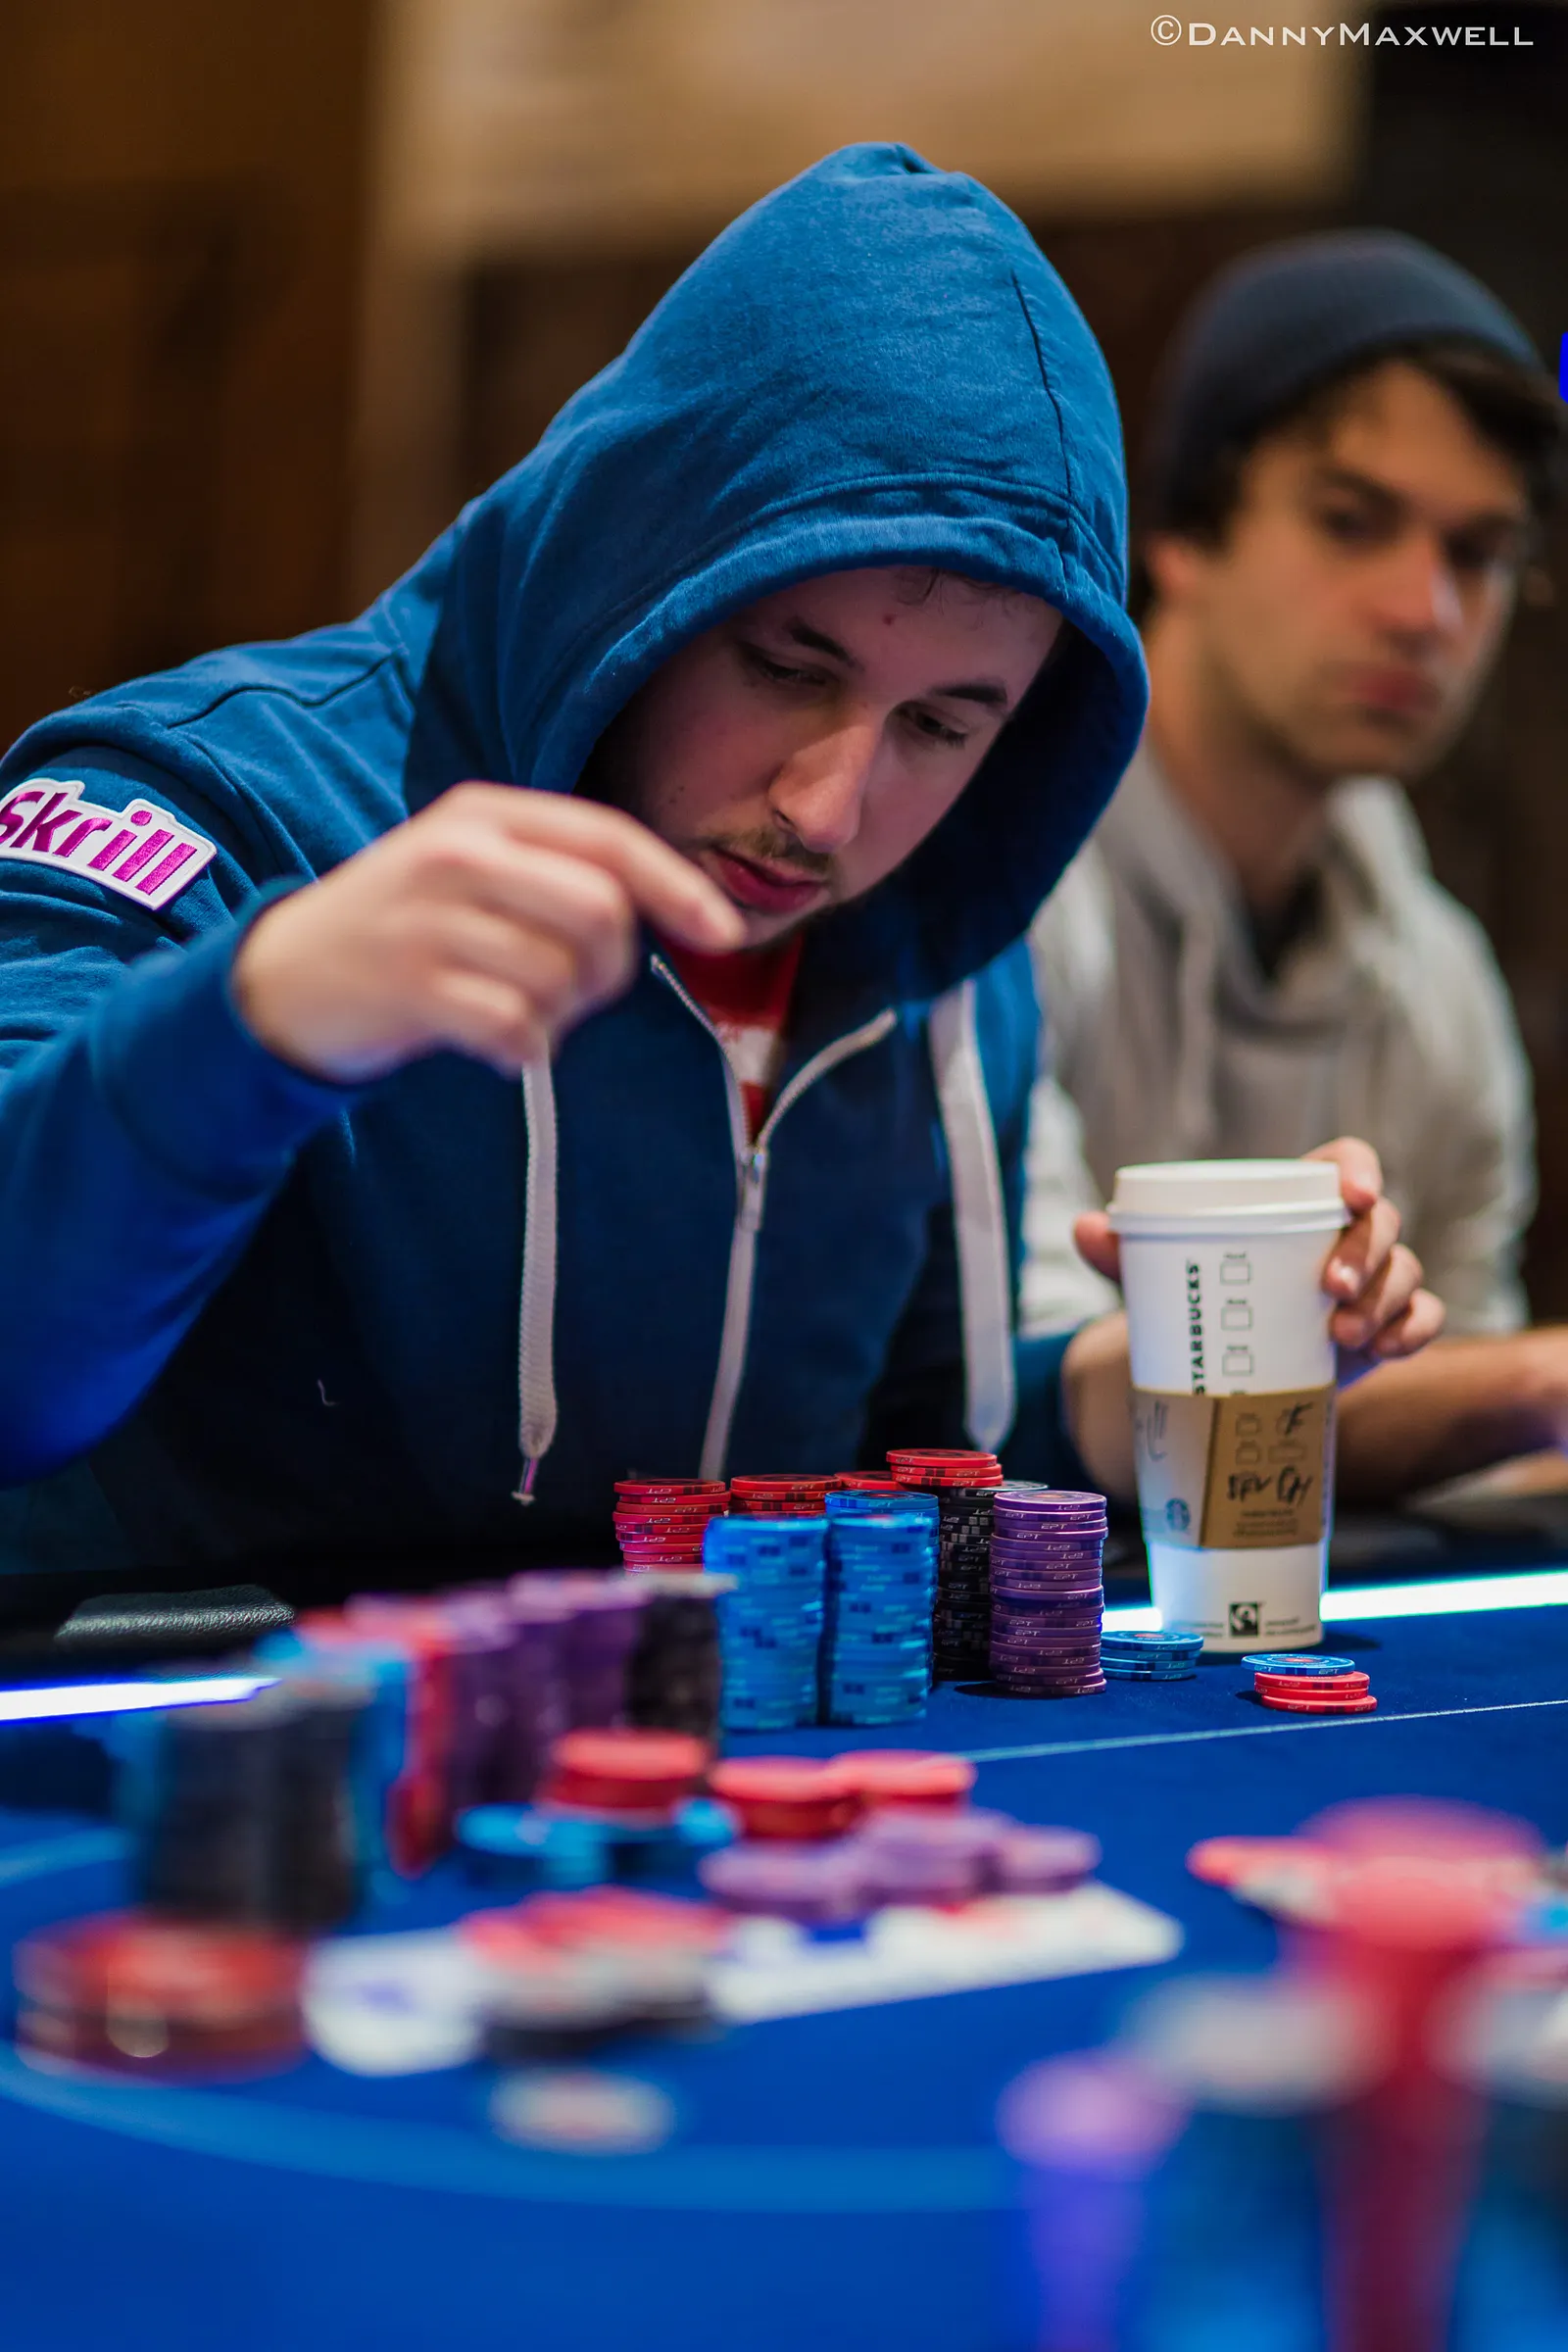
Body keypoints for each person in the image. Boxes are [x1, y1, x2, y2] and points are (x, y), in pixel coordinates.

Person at [0, 149, 1433, 1586]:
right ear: (634, 562)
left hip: (698, 1727)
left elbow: (920, 1447)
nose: (830, 811)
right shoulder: (204, 804)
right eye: (786, 668)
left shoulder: (943, 942)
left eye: (940, 726)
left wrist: (1209, 1352)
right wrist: (257, 1023)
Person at [1022, 231, 1565, 1501]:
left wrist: (1512, 1397)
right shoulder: (1002, 895)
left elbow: (1466, 1485)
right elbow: (1024, 1406)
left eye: (1479, 553)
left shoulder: (1442, 985)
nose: (1425, 611)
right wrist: (1530, 1391)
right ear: (1181, 532)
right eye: (1350, 522)